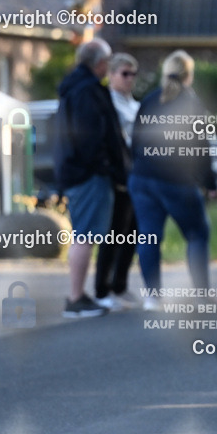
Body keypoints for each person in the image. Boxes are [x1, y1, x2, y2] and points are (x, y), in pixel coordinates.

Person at [129, 50, 217, 307]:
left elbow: (134, 140)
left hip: (143, 178)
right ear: (189, 75)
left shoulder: (149, 100)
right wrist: (210, 184)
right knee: (198, 233)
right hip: (175, 180)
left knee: (148, 235)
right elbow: (201, 148)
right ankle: (202, 296)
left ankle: (153, 298)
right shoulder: (192, 102)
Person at [53, 38, 129, 318]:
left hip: (79, 171)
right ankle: (76, 297)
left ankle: (79, 294)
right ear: (100, 63)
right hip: (87, 174)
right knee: (85, 235)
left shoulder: (74, 88)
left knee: (85, 234)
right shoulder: (87, 92)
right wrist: (105, 167)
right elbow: (92, 136)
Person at [94, 53, 141, 310]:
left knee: (132, 232)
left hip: (136, 172)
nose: (130, 79)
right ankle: (102, 287)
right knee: (113, 232)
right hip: (118, 175)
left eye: (133, 74)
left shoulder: (133, 104)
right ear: (111, 75)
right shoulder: (108, 104)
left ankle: (120, 284)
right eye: (125, 74)